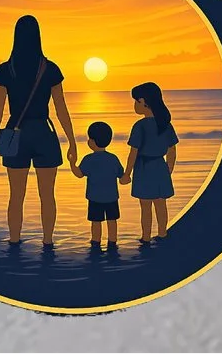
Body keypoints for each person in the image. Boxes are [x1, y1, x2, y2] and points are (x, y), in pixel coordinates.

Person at [0, 14, 75, 247]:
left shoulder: (6, 70)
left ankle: (14, 241)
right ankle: (48, 242)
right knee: (47, 195)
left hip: (16, 133)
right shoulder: (50, 68)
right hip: (44, 132)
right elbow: (61, 107)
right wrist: (72, 141)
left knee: (16, 196)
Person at [127, 82, 177, 241]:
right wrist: (168, 169)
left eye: (136, 101)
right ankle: (163, 233)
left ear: (143, 102)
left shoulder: (140, 126)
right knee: (161, 205)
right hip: (160, 167)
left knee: (146, 207)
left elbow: (133, 153)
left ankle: (146, 237)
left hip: (144, 168)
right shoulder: (165, 125)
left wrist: (127, 173)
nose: (135, 105)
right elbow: (172, 150)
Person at [73, 122, 125, 250]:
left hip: (95, 198)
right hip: (111, 197)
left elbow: (79, 174)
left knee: (96, 221)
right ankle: (112, 241)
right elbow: (121, 175)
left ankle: (96, 241)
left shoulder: (88, 159)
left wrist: (72, 164)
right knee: (112, 220)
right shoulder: (113, 158)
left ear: (92, 141)